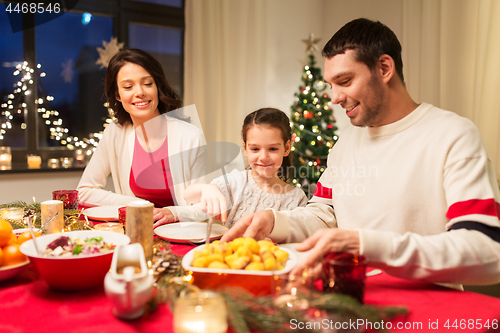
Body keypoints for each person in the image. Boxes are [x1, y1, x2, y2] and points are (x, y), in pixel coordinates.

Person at [222, 18, 500, 286]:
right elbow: (324, 214)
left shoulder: (453, 135)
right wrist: (275, 221)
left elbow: (487, 251)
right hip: (347, 297)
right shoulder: (346, 142)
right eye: (331, 86)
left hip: (427, 308)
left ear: (384, 68)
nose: (334, 98)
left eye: (344, 81)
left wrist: (365, 245)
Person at [77, 49, 210, 223]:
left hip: (183, 236)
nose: (139, 92)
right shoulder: (115, 132)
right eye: (128, 87)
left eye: (147, 83)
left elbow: (206, 206)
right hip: (137, 230)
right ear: (118, 95)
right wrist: (136, 204)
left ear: (157, 88)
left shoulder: (191, 137)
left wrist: (174, 213)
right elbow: (84, 191)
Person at [154, 107, 308, 229]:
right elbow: (189, 196)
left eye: (272, 149)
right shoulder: (236, 181)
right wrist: (207, 189)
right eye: (255, 149)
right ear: (245, 148)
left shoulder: (297, 198)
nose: (263, 157)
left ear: (287, 148)